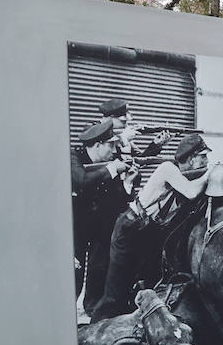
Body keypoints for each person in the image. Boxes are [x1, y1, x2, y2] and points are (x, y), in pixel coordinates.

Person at [90, 134, 215, 321]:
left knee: (146, 286)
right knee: (115, 294)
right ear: (191, 158)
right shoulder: (168, 169)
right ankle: (93, 335)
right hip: (129, 227)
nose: (207, 161)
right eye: (203, 156)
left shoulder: (183, 177)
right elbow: (191, 192)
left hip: (147, 233)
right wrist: (210, 174)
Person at [72, 119, 132, 317]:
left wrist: (127, 185)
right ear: (98, 145)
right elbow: (81, 181)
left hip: (97, 226)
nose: (115, 149)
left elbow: (116, 201)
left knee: (99, 270)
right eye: (111, 145)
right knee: (74, 276)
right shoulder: (73, 157)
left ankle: (93, 312)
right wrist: (111, 170)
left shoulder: (109, 162)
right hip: (73, 227)